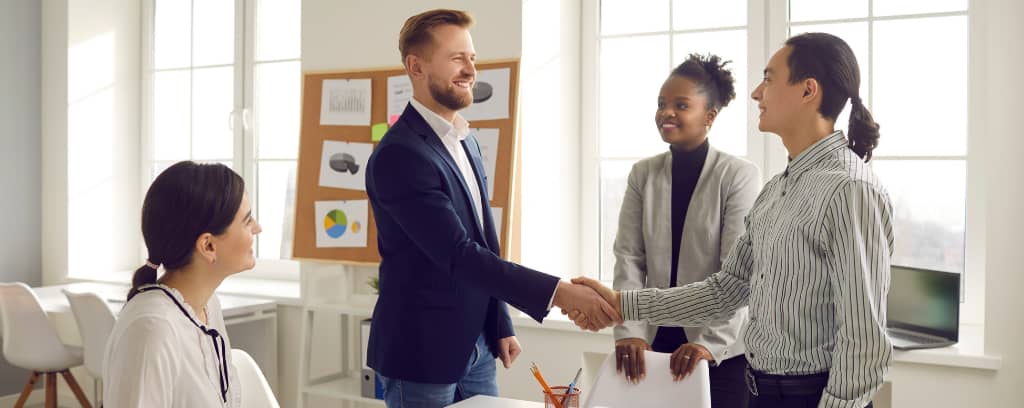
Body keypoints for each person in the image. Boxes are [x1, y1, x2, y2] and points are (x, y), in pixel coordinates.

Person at [571, 32, 892, 408]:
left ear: (808, 91)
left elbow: (864, 339)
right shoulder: (777, 189)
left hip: (812, 397)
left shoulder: (849, 189)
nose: (757, 93)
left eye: (769, 79)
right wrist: (622, 305)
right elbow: (726, 290)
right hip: (760, 391)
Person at [364, 9, 620, 408]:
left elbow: (484, 241)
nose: (470, 69)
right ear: (416, 66)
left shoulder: (465, 141)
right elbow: (459, 255)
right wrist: (560, 292)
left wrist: (498, 323)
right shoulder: (401, 154)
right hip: (421, 354)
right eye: (456, 58)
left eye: (472, 58)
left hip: (479, 345)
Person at [611, 53, 761, 407]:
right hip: (651, 345)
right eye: (662, 104)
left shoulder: (738, 176)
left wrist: (708, 343)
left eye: (681, 105)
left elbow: (737, 274)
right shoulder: (642, 174)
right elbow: (629, 258)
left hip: (720, 353)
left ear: (709, 116)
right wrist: (629, 332)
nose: (666, 113)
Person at [103, 161, 262, 407]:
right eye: (247, 220)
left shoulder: (208, 305)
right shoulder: (153, 329)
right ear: (208, 246)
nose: (258, 228)